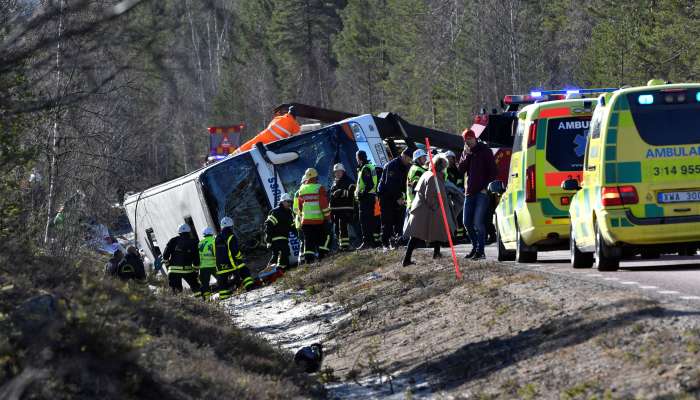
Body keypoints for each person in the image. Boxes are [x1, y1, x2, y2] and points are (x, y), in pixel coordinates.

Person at [402, 154, 456, 266]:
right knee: (416, 235)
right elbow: (430, 196)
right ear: (441, 166)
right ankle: (406, 259)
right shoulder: (433, 177)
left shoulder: (428, 174)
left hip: (423, 210)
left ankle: (436, 254)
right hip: (426, 211)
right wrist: (436, 207)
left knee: (435, 232)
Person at [458, 129, 498, 260]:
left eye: (469, 139)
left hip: (482, 193)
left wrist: (486, 188)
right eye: (465, 140)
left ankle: (480, 251)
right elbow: (461, 170)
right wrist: (467, 155)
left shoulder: (485, 151)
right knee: (466, 222)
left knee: (477, 223)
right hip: (469, 192)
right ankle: (475, 248)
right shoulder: (466, 152)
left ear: (474, 138)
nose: (467, 142)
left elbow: (493, 171)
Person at [377, 148, 411, 249]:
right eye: (408, 159)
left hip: (396, 196)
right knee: (387, 220)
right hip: (386, 196)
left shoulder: (404, 166)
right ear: (404, 156)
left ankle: (396, 241)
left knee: (398, 219)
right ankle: (386, 244)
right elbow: (390, 184)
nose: (409, 161)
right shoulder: (392, 165)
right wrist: (398, 198)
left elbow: (403, 183)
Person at [297, 168, 332, 263]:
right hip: (318, 220)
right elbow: (324, 205)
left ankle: (309, 260)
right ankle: (322, 256)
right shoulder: (319, 188)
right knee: (321, 238)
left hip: (305, 221)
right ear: (316, 177)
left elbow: (300, 207)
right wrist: (328, 218)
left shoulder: (301, 189)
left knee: (308, 241)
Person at [234, 106, 301, 154]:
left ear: (288, 112)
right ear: (295, 115)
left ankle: (233, 154)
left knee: (249, 144)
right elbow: (297, 139)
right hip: (272, 144)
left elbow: (270, 126)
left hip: (262, 136)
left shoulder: (278, 118)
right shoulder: (295, 125)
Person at [215, 217, 254, 299]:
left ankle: (224, 297)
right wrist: (240, 257)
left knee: (222, 282)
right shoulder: (231, 236)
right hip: (232, 263)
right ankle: (250, 286)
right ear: (231, 226)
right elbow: (235, 251)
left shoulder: (216, 238)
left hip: (220, 265)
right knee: (244, 270)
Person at [163, 223, 201, 293]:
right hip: (188, 271)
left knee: (176, 293)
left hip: (173, 271)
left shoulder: (173, 240)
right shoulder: (194, 242)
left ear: (179, 232)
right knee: (196, 288)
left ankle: (180, 303)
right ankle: (202, 302)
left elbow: (165, 255)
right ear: (189, 232)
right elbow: (197, 259)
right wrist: (196, 272)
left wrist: (168, 266)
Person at [354, 150, 378, 249]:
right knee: (371, 220)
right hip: (371, 197)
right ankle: (372, 241)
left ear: (358, 158)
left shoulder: (365, 168)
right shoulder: (369, 167)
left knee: (364, 221)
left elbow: (369, 184)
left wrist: (362, 194)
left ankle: (367, 242)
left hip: (366, 199)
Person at [265, 193, 296, 270]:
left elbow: (291, 226)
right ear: (282, 202)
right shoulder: (276, 212)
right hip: (275, 238)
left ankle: (282, 271)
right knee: (280, 253)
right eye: (288, 202)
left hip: (284, 237)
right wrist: (268, 240)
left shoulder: (289, 213)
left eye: (290, 202)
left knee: (284, 253)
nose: (289, 203)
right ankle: (269, 272)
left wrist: (298, 233)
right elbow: (269, 225)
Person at [329, 163, 355, 251]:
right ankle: (342, 246)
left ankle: (346, 246)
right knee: (337, 228)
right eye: (336, 172)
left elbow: (352, 192)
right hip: (335, 210)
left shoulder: (348, 181)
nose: (337, 173)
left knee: (343, 227)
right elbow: (332, 195)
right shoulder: (334, 182)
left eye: (339, 171)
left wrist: (341, 192)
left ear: (343, 172)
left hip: (345, 208)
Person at [444, 150, 467, 242]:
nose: (449, 161)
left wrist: (458, 189)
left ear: (454, 159)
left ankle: (461, 236)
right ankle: (452, 235)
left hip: (458, 195)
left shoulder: (458, 170)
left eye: (451, 159)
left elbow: (460, 181)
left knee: (460, 216)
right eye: (447, 159)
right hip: (448, 196)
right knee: (450, 217)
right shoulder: (444, 171)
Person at [198, 226, 217, 299]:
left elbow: (198, 255)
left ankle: (207, 299)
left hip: (203, 267)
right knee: (222, 280)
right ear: (211, 233)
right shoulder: (214, 240)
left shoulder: (200, 243)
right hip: (214, 265)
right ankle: (226, 291)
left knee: (205, 284)